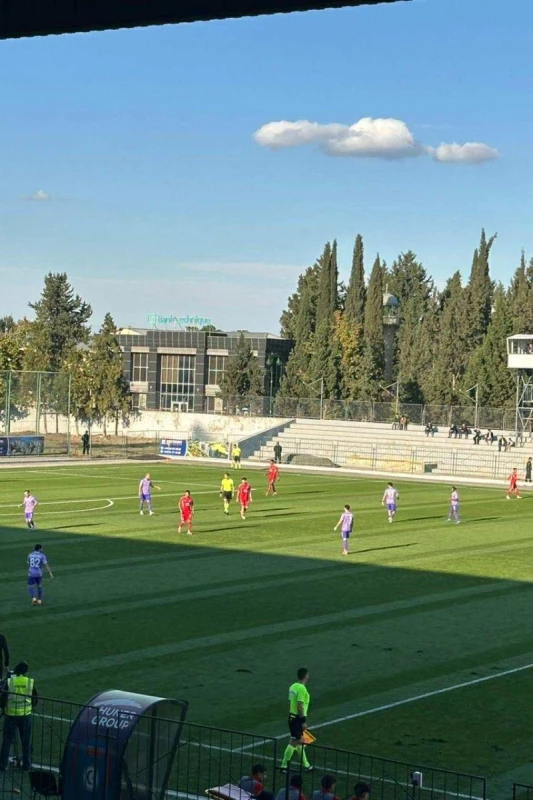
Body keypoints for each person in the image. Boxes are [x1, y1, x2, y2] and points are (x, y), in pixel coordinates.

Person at [0, 660, 38, 772]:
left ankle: (3, 764)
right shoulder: (29, 682)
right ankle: (26, 765)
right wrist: (29, 707)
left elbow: (2, 699)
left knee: (7, 741)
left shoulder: (10, 681)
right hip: (25, 715)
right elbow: (35, 698)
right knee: (26, 741)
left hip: (11, 715)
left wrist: (4, 709)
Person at [280, 667, 312, 773]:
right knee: (294, 742)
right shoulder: (302, 689)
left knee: (300, 741)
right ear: (305, 676)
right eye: (308, 675)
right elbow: (299, 706)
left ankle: (306, 765)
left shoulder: (292, 686)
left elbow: (291, 702)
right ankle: (283, 766)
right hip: (297, 719)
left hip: (292, 717)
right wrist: (303, 721)